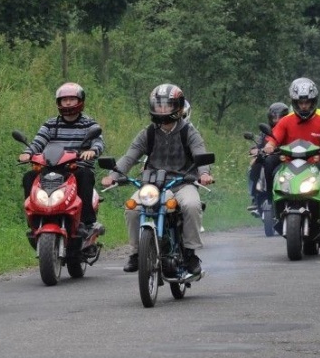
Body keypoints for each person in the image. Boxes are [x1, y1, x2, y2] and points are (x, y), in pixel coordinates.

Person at [101, 84, 214, 275]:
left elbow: (199, 153)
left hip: (182, 183)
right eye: (159, 105)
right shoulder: (149, 132)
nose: (162, 109)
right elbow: (130, 156)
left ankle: (190, 253)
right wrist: (113, 175)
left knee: (192, 205)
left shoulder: (188, 132)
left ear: (177, 107)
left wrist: (203, 173)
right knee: (132, 208)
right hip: (153, 184)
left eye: (167, 105)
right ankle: (137, 253)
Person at [18, 82, 105, 237]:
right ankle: (34, 219)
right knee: (29, 177)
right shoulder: (51, 124)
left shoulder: (89, 124)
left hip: (76, 167)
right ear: (59, 102)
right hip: (53, 167)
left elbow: (98, 141)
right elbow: (38, 141)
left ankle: (86, 222)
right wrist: (28, 152)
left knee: (85, 175)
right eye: (64, 99)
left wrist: (92, 151)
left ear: (80, 101)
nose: (68, 102)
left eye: (72, 99)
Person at [261, 78, 320, 219]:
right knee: (268, 163)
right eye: (301, 102)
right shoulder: (285, 121)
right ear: (295, 102)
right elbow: (274, 138)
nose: (304, 106)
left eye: (307, 102)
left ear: (313, 102)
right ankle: (272, 203)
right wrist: (269, 146)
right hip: (287, 161)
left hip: (315, 162)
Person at [247, 102, 290, 212]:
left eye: (280, 117)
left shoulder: (290, 129)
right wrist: (255, 149)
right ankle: (255, 196)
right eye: (274, 117)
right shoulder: (265, 130)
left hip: (287, 157)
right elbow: (259, 143)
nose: (276, 120)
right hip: (269, 157)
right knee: (255, 166)